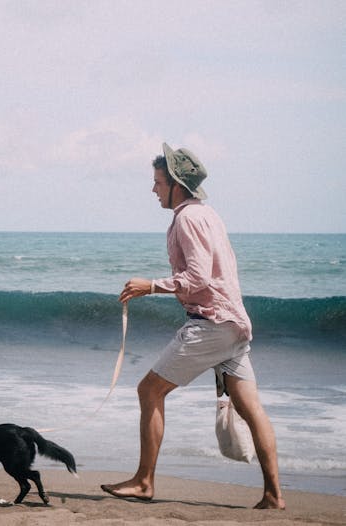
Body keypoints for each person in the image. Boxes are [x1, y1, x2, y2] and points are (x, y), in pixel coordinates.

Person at [101, 143, 285, 509]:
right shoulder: (208, 214)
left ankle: (144, 481)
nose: (153, 190)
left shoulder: (187, 218)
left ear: (176, 185)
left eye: (157, 182)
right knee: (251, 409)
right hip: (233, 323)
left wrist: (150, 286)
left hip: (212, 323)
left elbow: (199, 277)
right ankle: (274, 495)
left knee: (149, 390)